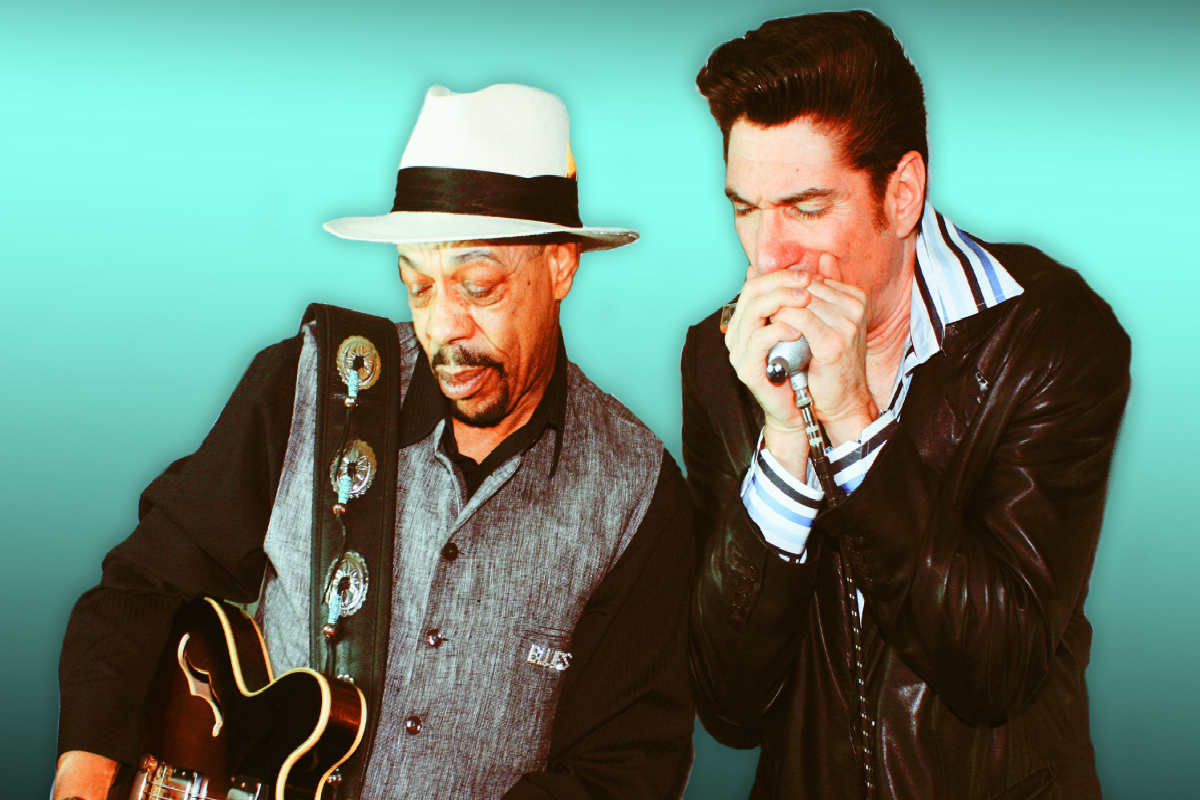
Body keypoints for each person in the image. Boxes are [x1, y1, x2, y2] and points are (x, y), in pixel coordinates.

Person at [54, 83, 695, 800]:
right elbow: (141, 590)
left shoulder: (638, 491)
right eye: (419, 287)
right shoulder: (308, 384)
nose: (443, 328)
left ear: (560, 266)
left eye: (478, 286)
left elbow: (625, 771)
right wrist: (85, 771)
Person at [683, 12, 1128, 799]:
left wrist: (853, 420)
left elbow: (997, 670)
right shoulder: (725, 361)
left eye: (805, 208)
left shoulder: (1051, 338)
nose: (767, 255)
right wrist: (785, 438)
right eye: (746, 209)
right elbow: (731, 705)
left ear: (902, 195)